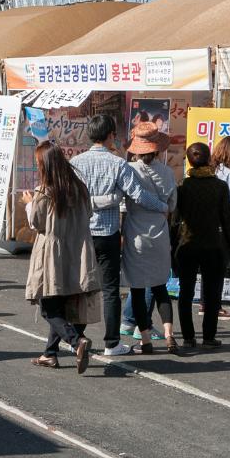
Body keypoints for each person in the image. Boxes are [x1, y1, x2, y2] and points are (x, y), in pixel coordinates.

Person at [70, 114, 168, 358]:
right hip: (107, 234)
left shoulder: (75, 163)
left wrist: (92, 202)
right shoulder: (118, 164)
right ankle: (112, 342)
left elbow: (70, 197)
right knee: (110, 290)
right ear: (110, 135)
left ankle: (76, 337)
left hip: (81, 233)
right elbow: (137, 194)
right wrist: (161, 206)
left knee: (81, 286)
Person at [22, 144, 98, 372]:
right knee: (65, 304)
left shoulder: (45, 192)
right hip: (79, 251)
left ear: (45, 166)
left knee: (48, 306)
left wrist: (29, 204)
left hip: (52, 254)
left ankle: (77, 342)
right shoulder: (80, 188)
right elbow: (90, 214)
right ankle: (50, 354)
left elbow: (36, 223)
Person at [121, 122, 179, 354]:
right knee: (160, 288)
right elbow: (172, 204)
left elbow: (123, 201)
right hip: (160, 235)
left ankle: (145, 340)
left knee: (137, 289)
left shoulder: (129, 169)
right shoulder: (167, 172)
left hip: (136, 234)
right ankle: (169, 335)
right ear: (157, 149)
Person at [175, 142, 230, 349]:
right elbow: (227, 221)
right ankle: (209, 336)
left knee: (186, 292)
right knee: (212, 292)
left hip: (187, 245)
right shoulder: (219, 186)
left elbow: (175, 220)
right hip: (213, 245)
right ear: (209, 158)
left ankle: (188, 337)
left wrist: (172, 246)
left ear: (188, 160)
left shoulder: (183, 186)